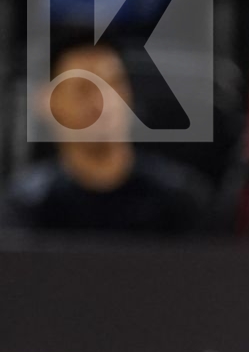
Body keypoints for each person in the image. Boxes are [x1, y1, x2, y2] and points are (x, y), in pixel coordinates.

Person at [2, 40, 212, 234]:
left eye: (114, 84)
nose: (103, 102)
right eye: (84, 89)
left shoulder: (182, 202)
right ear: (47, 101)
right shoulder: (24, 209)